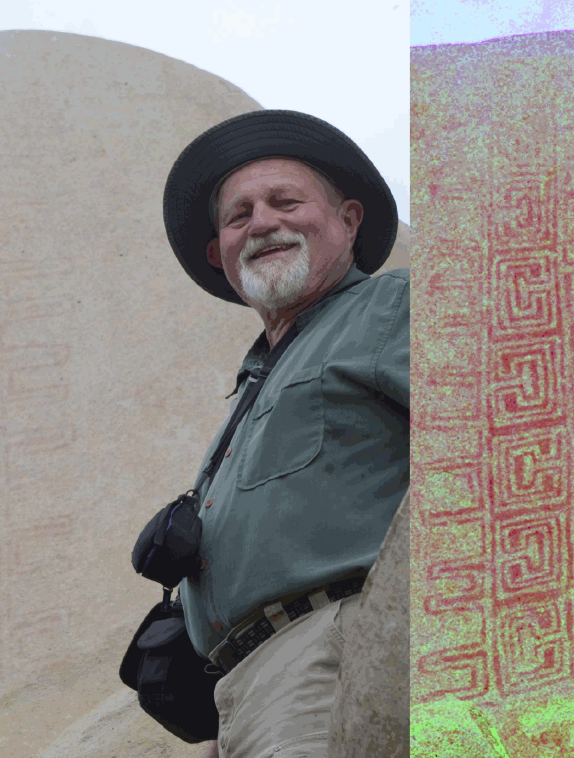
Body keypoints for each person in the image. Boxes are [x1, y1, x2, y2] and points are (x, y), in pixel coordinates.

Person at [161, 110, 409, 758]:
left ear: (348, 220)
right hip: (243, 696)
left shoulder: (392, 307)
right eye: (239, 215)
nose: (263, 222)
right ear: (220, 254)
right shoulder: (252, 384)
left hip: (331, 653)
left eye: (285, 201)